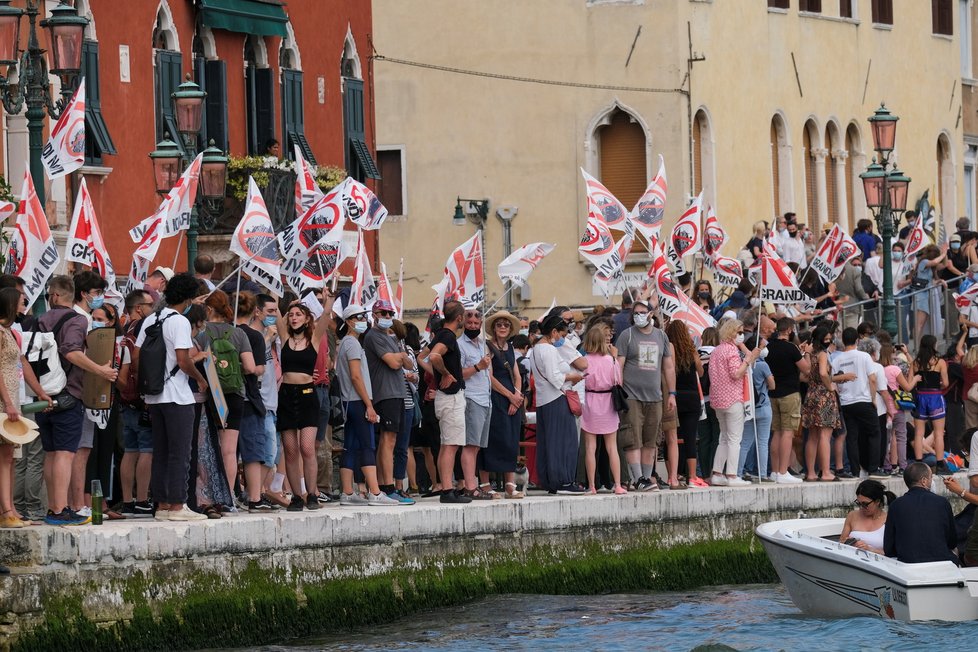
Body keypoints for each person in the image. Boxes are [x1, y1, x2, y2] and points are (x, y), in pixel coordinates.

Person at [37, 275, 117, 525]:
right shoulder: (78, 320)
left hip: (43, 393)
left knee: (51, 454)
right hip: (68, 393)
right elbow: (70, 351)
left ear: (55, 295)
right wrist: (100, 370)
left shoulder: (41, 319)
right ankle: (61, 510)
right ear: (76, 294)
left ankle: (54, 507)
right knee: (65, 453)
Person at [134, 274, 208, 521]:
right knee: (180, 451)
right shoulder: (180, 322)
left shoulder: (150, 319)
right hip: (178, 395)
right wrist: (199, 378)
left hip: (155, 396)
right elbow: (183, 359)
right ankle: (178, 505)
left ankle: (162, 504)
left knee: (161, 451)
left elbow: (136, 357)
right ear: (187, 299)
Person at [274, 295, 333, 510]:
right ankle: (297, 496)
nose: (294, 318)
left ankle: (312, 493)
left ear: (307, 319)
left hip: (308, 394)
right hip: (287, 395)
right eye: (292, 315)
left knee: (307, 447)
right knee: (290, 449)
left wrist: (330, 299)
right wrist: (276, 294)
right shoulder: (284, 336)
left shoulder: (314, 339)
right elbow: (276, 314)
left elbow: (326, 315)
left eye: (298, 314)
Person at [335, 305, 398, 506]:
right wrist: (369, 405)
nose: (363, 320)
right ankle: (375, 492)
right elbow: (356, 376)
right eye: (359, 317)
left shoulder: (346, 343)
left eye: (364, 316)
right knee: (368, 445)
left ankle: (347, 492)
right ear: (349, 321)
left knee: (350, 446)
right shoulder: (352, 343)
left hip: (349, 401)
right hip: (357, 400)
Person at [197, 290, 255, 505]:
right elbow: (250, 367)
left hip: (209, 393)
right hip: (234, 394)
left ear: (209, 309)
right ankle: (228, 497)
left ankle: (207, 496)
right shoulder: (238, 333)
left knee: (206, 447)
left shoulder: (200, 334)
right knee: (229, 450)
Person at [0, 289, 48, 527]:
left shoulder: (10, 332)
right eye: (22, 302)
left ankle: (10, 510)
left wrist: (40, 392)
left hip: (12, 399)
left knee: (9, 456)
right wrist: (8, 402)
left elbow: (22, 363)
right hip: (4, 400)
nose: (26, 305)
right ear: (10, 304)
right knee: (5, 457)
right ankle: (7, 510)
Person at [616, 299, 675, 491]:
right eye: (636, 313)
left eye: (642, 312)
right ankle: (638, 477)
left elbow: (668, 367)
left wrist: (672, 394)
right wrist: (618, 390)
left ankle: (647, 478)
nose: (639, 315)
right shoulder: (627, 335)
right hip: (631, 395)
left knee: (651, 439)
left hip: (655, 396)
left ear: (651, 314)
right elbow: (620, 364)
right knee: (632, 437)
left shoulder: (661, 336)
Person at [362, 299, 415, 504]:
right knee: (387, 440)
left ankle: (388, 485)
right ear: (374, 315)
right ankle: (386, 486)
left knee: (392, 440)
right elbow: (395, 363)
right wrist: (400, 356)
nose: (386, 317)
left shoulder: (390, 337)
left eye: (389, 313)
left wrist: (401, 355)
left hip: (398, 392)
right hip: (386, 392)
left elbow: (409, 363)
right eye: (382, 313)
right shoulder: (374, 336)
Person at [529, 314, 586, 494]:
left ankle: (551, 481)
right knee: (564, 441)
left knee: (548, 442)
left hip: (544, 400)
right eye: (561, 335)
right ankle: (564, 481)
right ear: (554, 332)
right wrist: (573, 377)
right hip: (557, 398)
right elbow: (555, 377)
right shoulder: (549, 350)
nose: (561, 339)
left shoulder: (536, 349)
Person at [427, 301, 473, 504]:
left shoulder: (440, 334)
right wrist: (445, 374)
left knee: (447, 445)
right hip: (451, 397)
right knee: (451, 445)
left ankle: (447, 488)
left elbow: (423, 357)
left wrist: (438, 376)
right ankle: (447, 490)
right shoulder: (448, 336)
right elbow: (434, 355)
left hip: (446, 396)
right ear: (460, 318)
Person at [708, 319, 761, 487]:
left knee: (723, 438)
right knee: (734, 439)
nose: (742, 335)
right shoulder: (731, 351)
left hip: (718, 399)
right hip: (732, 399)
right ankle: (732, 475)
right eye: (739, 332)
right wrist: (747, 360)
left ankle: (717, 473)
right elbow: (736, 374)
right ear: (731, 333)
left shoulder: (716, 351)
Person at [117, 289, 155, 517]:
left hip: (125, 399)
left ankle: (128, 501)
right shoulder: (143, 329)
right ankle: (142, 499)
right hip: (141, 399)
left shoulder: (124, 331)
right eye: (150, 304)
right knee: (147, 450)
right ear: (139, 308)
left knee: (130, 451)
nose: (154, 308)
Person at [481, 310, 525, 499]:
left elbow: (517, 376)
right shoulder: (487, 347)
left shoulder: (511, 348)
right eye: (499, 324)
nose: (502, 327)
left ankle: (510, 484)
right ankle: (485, 484)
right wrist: (510, 396)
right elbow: (489, 377)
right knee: (490, 440)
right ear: (493, 327)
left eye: (506, 325)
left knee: (510, 440)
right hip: (495, 396)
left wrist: (517, 396)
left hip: (511, 399)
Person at [832, 327, 886, 479]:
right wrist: (873, 399)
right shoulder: (863, 356)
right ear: (857, 340)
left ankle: (855, 470)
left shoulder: (837, 360)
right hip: (863, 399)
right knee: (875, 433)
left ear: (843, 341)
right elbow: (873, 378)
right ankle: (874, 468)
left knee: (852, 437)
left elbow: (834, 381)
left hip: (846, 402)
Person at [580, 322, 625, 495]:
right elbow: (618, 381)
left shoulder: (585, 361)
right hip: (608, 402)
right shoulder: (610, 361)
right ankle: (618, 484)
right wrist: (614, 359)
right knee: (612, 447)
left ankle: (591, 485)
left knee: (590, 447)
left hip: (590, 400)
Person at [883, 462, 957, 564]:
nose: (932, 481)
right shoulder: (942, 502)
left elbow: (889, 548)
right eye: (931, 477)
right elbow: (952, 541)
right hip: (941, 562)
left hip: (908, 563)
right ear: (924, 481)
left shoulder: (895, 505)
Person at [456, 307, 494, 499]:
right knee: (470, 445)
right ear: (463, 323)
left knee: (477, 446)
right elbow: (459, 374)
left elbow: (489, 371)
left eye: (476, 323)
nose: (473, 326)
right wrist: (478, 366)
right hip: (471, 398)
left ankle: (473, 484)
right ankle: (471, 486)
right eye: (469, 323)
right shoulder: (459, 345)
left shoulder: (482, 344)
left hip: (485, 398)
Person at [767, 317, 809, 483]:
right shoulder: (791, 348)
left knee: (776, 432)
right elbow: (806, 369)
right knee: (787, 432)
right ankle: (783, 472)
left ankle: (775, 471)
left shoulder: (769, 347)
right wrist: (805, 353)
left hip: (773, 393)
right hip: (790, 393)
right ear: (790, 330)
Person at [665, 320, 706, 489]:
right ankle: (692, 476)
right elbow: (701, 373)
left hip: (673, 396)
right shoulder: (692, 351)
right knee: (690, 437)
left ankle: (672, 475)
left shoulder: (668, 350)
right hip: (691, 397)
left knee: (672, 439)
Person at [801, 324, 840, 482]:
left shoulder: (811, 354)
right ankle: (825, 472)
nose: (829, 341)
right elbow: (823, 372)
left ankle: (810, 473)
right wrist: (830, 385)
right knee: (825, 435)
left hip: (811, 394)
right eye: (827, 339)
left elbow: (804, 375)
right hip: (824, 395)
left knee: (812, 436)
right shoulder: (823, 354)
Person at [908, 333, 949, 471]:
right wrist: (939, 384)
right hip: (935, 396)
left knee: (919, 433)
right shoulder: (940, 362)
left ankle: (918, 463)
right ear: (933, 345)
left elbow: (909, 384)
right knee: (938, 432)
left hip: (920, 397)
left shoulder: (914, 363)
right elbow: (946, 383)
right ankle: (940, 463)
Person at [739, 342, 774, 482]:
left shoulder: (744, 363)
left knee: (745, 442)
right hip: (764, 408)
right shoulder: (763, 365)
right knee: (763, 442)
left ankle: (737, 472)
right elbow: (772, 385)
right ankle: (763, 474)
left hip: (748, 408)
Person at [839, 480, 897, 555]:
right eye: (859, 503)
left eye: (865, 504)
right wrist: (850, 542)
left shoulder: (889, 519)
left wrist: (870, 549)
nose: (861, 507)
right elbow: (841, 543)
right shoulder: (852, 516)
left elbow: (894, 553)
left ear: (877, 502)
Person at [912, 244, 947, 338]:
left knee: (923, 325)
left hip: (927, 295)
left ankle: (920, 345)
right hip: (921, 297)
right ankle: (916, 347)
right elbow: (935, 262)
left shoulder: (931, 267)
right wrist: (943, 254)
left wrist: (945, 253)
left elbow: (944, 264)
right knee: (919, 324)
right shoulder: (923, 262)